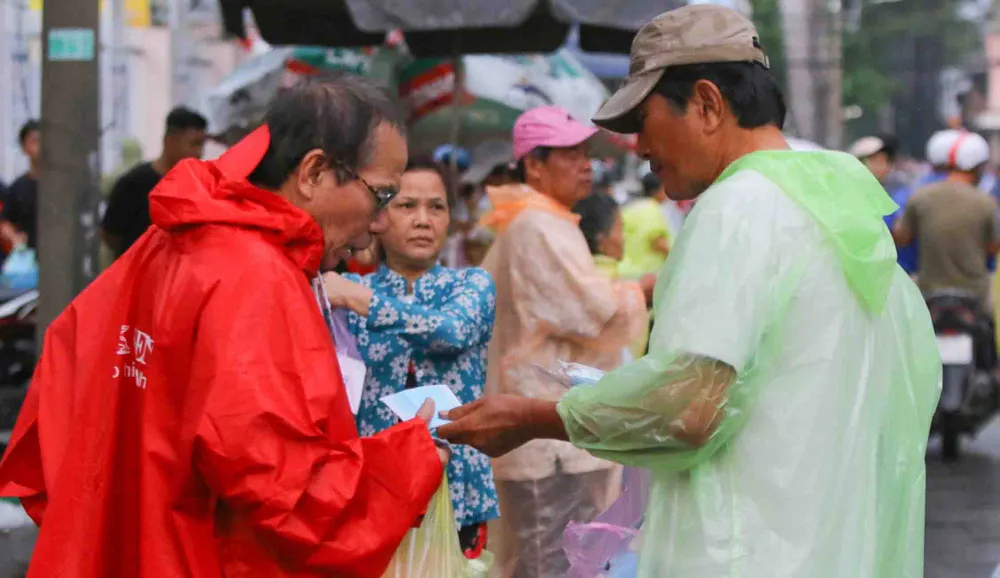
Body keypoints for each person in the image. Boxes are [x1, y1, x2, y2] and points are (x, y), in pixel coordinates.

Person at [440, 6, 939, 578]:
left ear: (706, 104)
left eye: (644, 122)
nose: (639, 149)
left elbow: (687, 409)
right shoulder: (843, 212)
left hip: (741, 554)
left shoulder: (738, 206)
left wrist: (532, 417)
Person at [0, 76, 450, 577]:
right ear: (314, 172)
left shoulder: (170, 242)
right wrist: (412, 460)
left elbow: (63, 385)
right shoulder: (255, 274)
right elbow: (284, 489)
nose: (380, 224)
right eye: (382, 195)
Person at [475, 105, 651, 578]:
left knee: (560, 556)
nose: (584, 165)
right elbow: (589, 313)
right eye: (570, 156)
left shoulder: (543, 219)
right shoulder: (536, 223)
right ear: (535, 164)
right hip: (547, 433)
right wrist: (649, 286)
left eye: (586, 154)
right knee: (550, 559)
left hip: (555, 427)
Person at [320, 158, 499, 559]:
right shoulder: (345, 291)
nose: (423, 220)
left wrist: (363, 302)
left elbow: (452, 331)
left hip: (456, 490)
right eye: (407, 206)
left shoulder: (471, 284)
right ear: (379, 218)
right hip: (372, 487)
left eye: (436, 207)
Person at [893, 131, 999, 306]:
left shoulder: (918, 196)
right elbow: (993, 246)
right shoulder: (986, 202)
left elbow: (902, 236)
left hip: (928, 292)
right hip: (974, 294)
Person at [102, 107, 208, 257]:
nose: (199, 153)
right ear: (170, 141)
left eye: (202, 146)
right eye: (194, 144)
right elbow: (111, 235)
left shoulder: (199, 189)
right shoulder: (134, 184)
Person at [850, 134, 918, 274]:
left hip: (901, 271)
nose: (881, 165)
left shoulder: (900, 191)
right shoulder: (850, 198)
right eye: (874, 160)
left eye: (883, 160)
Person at [618, 171, 672, 278]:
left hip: (623, 270)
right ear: (661, 189)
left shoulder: (631, 208)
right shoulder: (653, 210)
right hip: (644, 275)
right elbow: (658, 243)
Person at [0, 120, 41, 250]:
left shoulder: (61, 187)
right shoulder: (17, 188)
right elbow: (5, 222)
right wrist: (15, 238)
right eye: (35, 141)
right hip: (29, 259)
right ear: (24, 147)